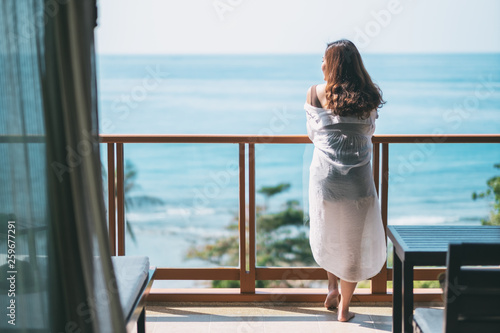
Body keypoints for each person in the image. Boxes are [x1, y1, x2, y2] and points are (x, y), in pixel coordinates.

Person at [304, 39, 387, 322]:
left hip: (326, 180)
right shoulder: (369, 95)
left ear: (334, 64)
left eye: (325, 59)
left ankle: (331, 288)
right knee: (352, 242)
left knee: (329, 230)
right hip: (358, 182)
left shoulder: (315, 92)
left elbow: (313, 134)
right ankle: (344, 308)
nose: (322, 64)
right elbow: (369, 132)